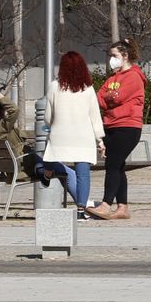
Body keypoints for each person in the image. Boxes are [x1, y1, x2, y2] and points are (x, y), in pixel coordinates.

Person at [41, 51, 106, 218]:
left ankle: (47, 173)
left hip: (60, 136)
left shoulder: (54, 87)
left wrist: (54, 123)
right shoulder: (89, 89)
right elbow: (95, 117)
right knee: (83, 175)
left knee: (49, 159)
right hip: (83, 138)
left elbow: (48, 117)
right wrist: (100, 139)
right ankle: (81, 211)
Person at [89, 38, 146, 221]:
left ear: (125, 55)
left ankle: (106, 204)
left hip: (128, 127)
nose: (111, 59)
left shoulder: (134, 76)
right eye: (110, 55)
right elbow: (100, 97)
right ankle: (122, 208)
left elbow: (117, 97)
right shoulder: (113, 77)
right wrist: (108, 98)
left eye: (114, 55)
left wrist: (108, 98)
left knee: (112, 164)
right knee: (118, 166)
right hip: (111, 125)